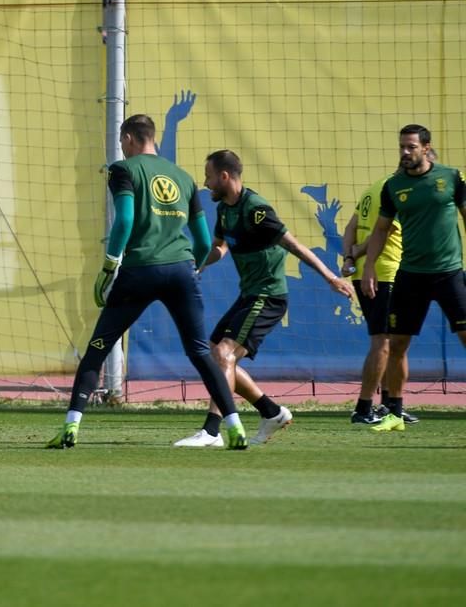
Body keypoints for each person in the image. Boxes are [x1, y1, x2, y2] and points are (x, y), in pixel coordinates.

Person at [46, 115, 248, 450]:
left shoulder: (123, 170)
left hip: (139, 271)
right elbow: (202, 242)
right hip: (181, 270)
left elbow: (124, 220)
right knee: (200, 352)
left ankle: (71, 427)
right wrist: (194, 269)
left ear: (128, 138)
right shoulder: (183, 178)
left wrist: (109, 266)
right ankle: (235, 428)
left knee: (97, 348)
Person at [174, 150, 354, 447]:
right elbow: (220, 248)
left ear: (224, 176)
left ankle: (212, 431)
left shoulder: (256, 210)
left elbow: (295, 246)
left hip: (268, 296)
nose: (205, 184)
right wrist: (198, 264)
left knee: (224, 355)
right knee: (213, 354)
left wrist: (330, 277)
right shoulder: (224, 210)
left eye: (208, 177)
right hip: (249, 295)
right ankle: (271, 413)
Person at [361, 124, 466, 432]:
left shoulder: (451, 178)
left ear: (426, 147)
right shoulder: (393, 187)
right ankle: (394, 412)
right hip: (410, 276)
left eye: (411, 147)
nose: (405, 153)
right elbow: (381, 230)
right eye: (402, 147)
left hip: (448, 274)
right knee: (397, 345)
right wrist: (369, 268)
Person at [341, 169, 416, 425]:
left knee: (389, 341)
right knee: (384, 343)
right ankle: (363, 408)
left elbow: (350, 227)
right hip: (384, 274)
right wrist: (359, 253)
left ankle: (389, 406)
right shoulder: (397, 191)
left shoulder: (373, 188)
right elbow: (383, 234)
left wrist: (349, 257)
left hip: (365, 274)